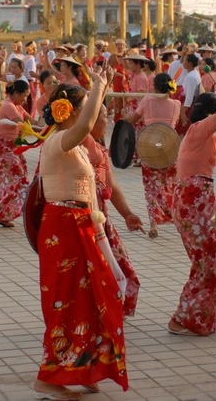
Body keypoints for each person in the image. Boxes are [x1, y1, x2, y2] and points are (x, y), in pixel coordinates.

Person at [34, 70, 127, 400]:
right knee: (64, 301)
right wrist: (100, 86)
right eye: (85, 106)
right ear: (70, 111)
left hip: (81, 225)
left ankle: (84, 366)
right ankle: (49, 378)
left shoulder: (73, 145)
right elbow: (86, 126)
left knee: (90, 300)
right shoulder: (59, 141)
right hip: (64, 228)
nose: (89, 112)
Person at [168, 69, 216, 336]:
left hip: (193, 197)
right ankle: (183, 317)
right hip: (193, 198)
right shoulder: (201, 128)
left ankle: (202, 309)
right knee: (207, 262)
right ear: (212, 113)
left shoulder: (197, 129)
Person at [84, 100, 142, 316]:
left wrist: (128, 214)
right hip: (81, 217)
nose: (107, 121)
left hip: (101, 218)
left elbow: (112, 186)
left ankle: (107, 306)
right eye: (103, 116)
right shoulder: (76, 142)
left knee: (118, 265)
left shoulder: (99, 148)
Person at [124, 73, 181, 238]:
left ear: (155, 87)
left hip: (149, 147)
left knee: (151, 188)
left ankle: (153, 224)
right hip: (169, 147)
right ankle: (176, 220)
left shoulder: (148, 99)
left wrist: (123, 114)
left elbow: (133, 119)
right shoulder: (176, 104)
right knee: (170, 185)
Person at [0, 79, 31, 228]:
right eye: (24, 96)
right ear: (15, 93)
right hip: (2, 149)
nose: (25, 99)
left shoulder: (17, 106)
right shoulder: (9, 106)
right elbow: (24, 125)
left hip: (12, 148)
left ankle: (2, 214)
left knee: (11, 180)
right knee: (18, 180)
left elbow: (31, 121)